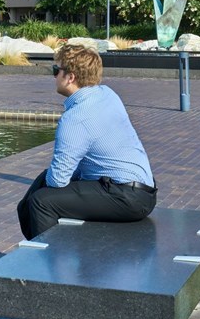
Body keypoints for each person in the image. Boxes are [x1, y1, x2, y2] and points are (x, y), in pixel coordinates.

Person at [16, 44, 156, 240]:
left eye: (57, 71)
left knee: (41, 202)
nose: (54, 76)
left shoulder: (75, 119)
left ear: (71, 77)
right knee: (39, 186)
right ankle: (36, 251)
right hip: (144, 192)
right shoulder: (107, 94)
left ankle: (49, 266)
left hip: (126, 198)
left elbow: (58, 180)